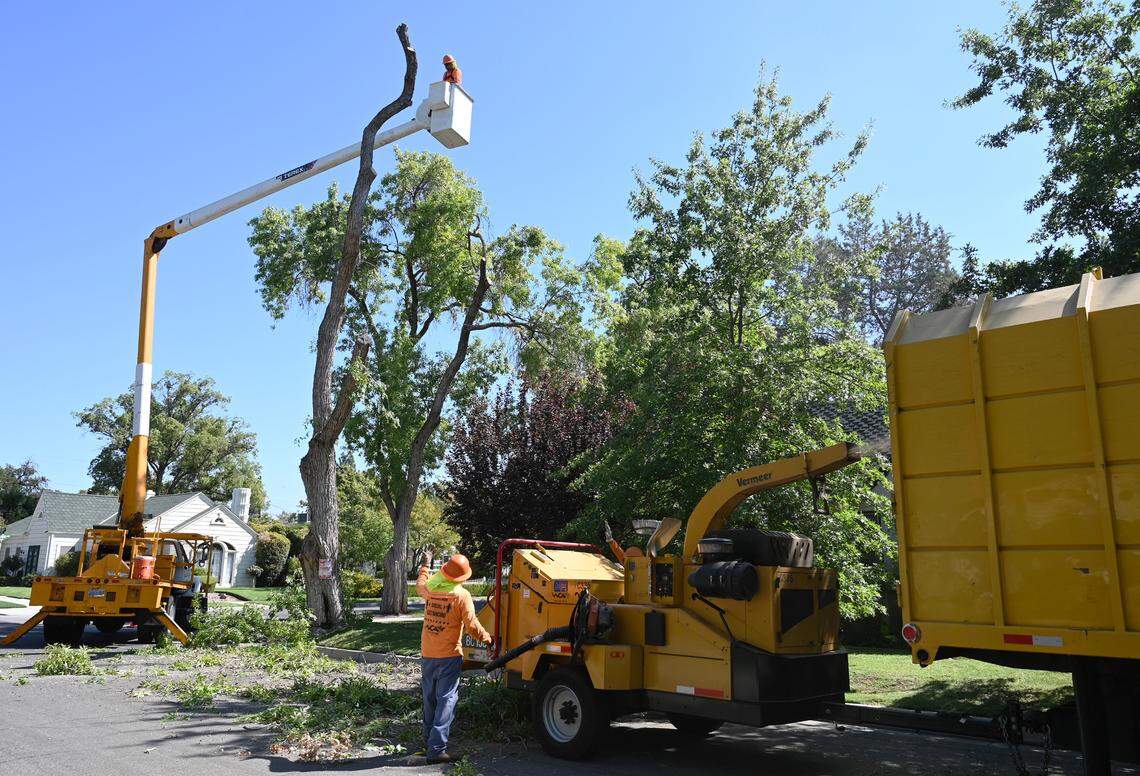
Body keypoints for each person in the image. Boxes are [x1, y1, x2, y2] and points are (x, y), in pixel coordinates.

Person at [416, 547, 491, 764]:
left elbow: (420, 583)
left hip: (428, 653)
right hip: (449, 655)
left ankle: (427, 741)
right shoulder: (461, 595)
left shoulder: (430, 589)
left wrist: (425, 564)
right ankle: (437, 749)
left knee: (429, 699)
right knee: (446, 700)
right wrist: (488, 639)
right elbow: (472, 626)